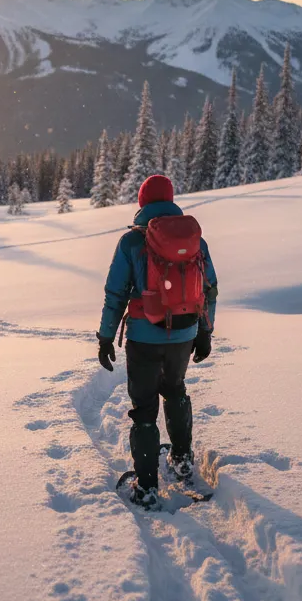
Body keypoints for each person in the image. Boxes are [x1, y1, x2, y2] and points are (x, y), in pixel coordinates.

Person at [97, 174, 218, 509]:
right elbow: (209, 290)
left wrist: (106, 337)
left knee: (145, 407)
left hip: (143, 336)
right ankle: (181, 461)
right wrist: (205, 332)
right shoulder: (195, 240)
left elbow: (116, 293)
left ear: (142, 202)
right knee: (175, 390)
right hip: (184, 333)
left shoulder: (131, 241)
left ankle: (147, 487)